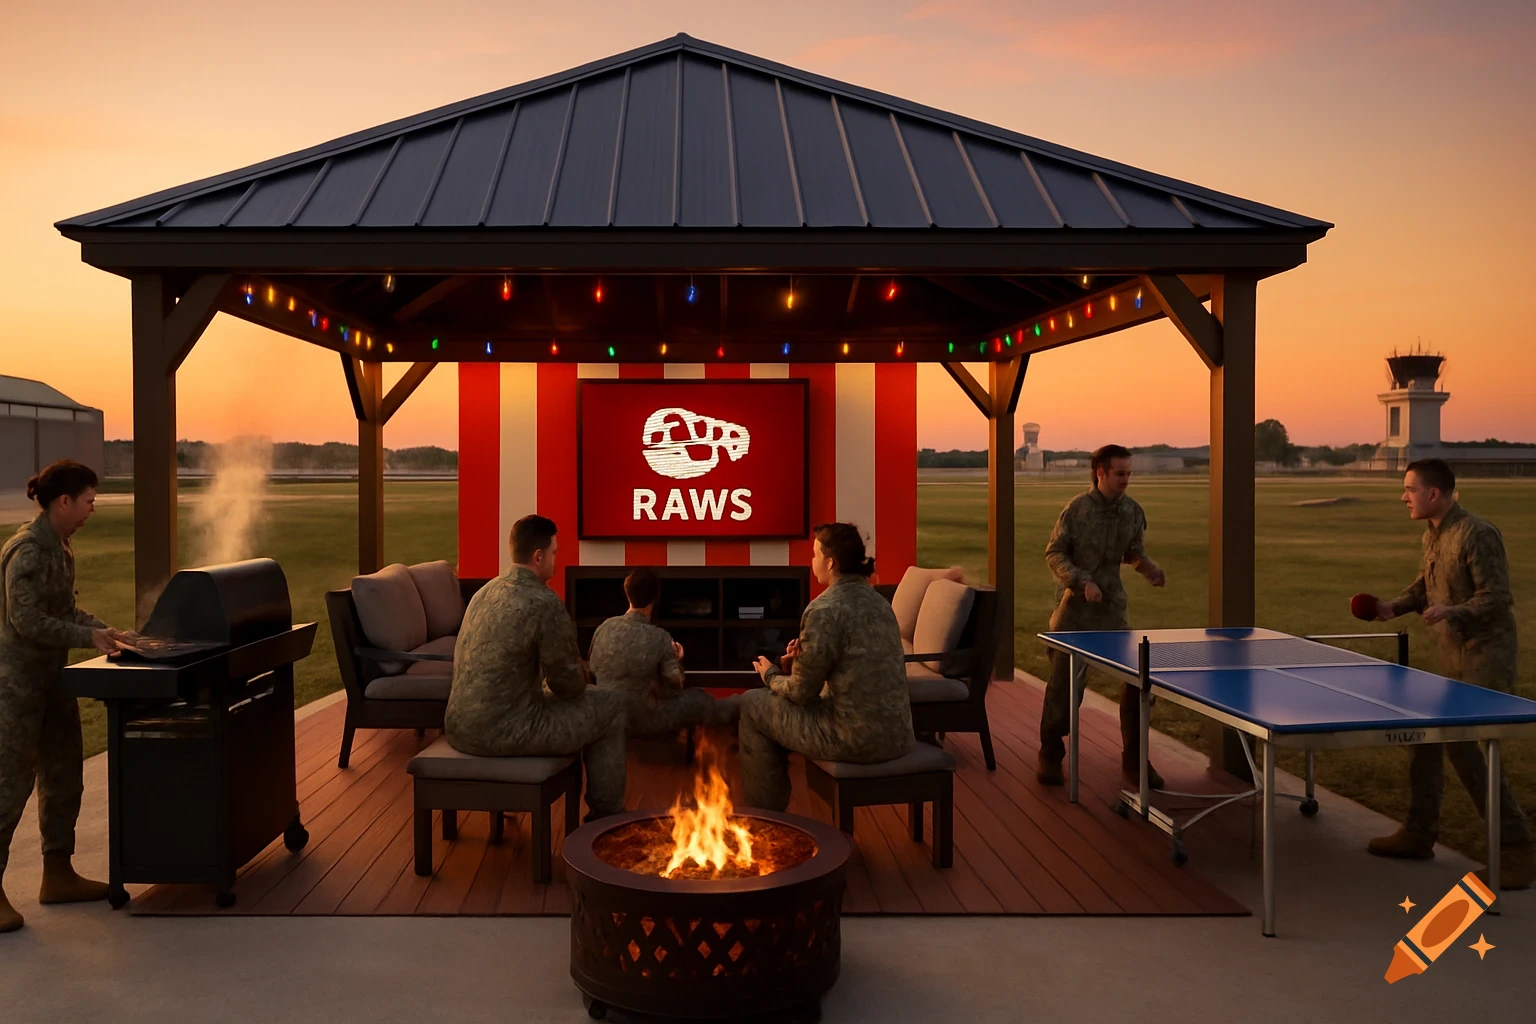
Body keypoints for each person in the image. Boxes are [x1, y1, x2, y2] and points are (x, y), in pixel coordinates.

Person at [1363, 458, 1533, 888]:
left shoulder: (1477, 533)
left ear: (1433, 494)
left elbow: (1497, 597)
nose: (1404, 496)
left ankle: (1515, 851)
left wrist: (1451, 611)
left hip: (1485, 657)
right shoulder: (1434, 534)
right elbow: (1423, 586)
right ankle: (1419, 834)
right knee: (1424, 735)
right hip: (1452, 656)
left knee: (1467, 748)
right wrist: (1391, 607)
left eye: (1410, 489)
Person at [1, 460, 138, 934]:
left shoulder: (60, 547)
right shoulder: (28, 552)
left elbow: (63, 610)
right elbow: (27, 622)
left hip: (52, 681)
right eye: (88, 501)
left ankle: (57, 874)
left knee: (63, 774)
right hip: (16, 688)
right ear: (64, 502)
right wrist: (88, 641)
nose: (91, 510)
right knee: (10, 785)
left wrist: (107, 631)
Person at [444, 514, 626, 821]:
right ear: (538, 556)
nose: (556, 560)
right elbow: (567, 686)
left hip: (459, 727)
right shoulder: (544, 603)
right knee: (611, 706)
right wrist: (584, 671)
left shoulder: (483, 594)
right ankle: (606, 819)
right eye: (554, 553)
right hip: (506, 732)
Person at [738, 523, 914, 811]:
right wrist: (799, 665)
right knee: (772, 703)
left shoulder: (824, 609)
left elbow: (801, 694)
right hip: (898, 735)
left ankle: (767, 822)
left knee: (751, 704)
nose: (811, 561)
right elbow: (845, 669)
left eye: (815, 554)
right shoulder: (880, 602)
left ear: (830, 562)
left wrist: (770, 674)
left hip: (851, 738)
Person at [1037, 444, 1168, 789]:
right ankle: (1051, 752)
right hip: (1074, 613)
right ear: (1101, 473)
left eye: (1129, 473)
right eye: (1120, 473)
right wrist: (1082, 581)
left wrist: (1149, 569)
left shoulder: (1133, 512)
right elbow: (1054, 553)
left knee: (1138, 680)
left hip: (1112, 612)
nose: (1126, 480)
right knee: (1064, 689)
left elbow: (1133, 552)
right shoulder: (1076, 510)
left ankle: (1135, 760)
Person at [588, 567, 734, 736]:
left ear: (628, 594)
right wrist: (678, 660)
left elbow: (592, 671)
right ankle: (737, 707)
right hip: (645, 720)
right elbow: (675, 686)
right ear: (654, 599)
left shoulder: (603, 628)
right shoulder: (660, 637)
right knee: (699, 699)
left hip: (607, 715)